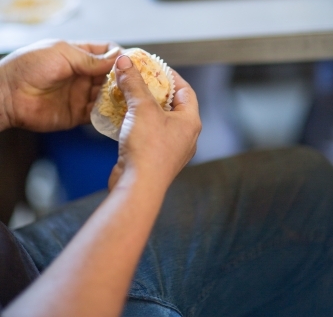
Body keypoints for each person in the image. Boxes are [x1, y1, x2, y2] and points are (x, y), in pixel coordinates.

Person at [1, 39, 333, 316]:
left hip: (14, 257)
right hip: (54, 299)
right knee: (309, 201)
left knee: (307, 177)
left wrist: (6, 95)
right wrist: (142, 179)